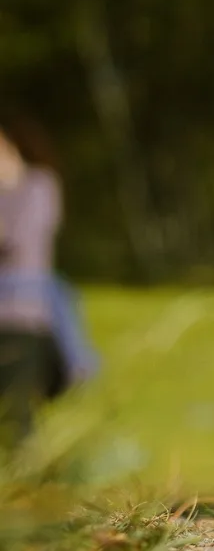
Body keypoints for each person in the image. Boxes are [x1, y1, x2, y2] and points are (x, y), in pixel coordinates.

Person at [0, 114, 96, 444]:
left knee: (16, 409)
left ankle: (23, 483)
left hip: (22, 316)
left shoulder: (39, 187)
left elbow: (14, 237)